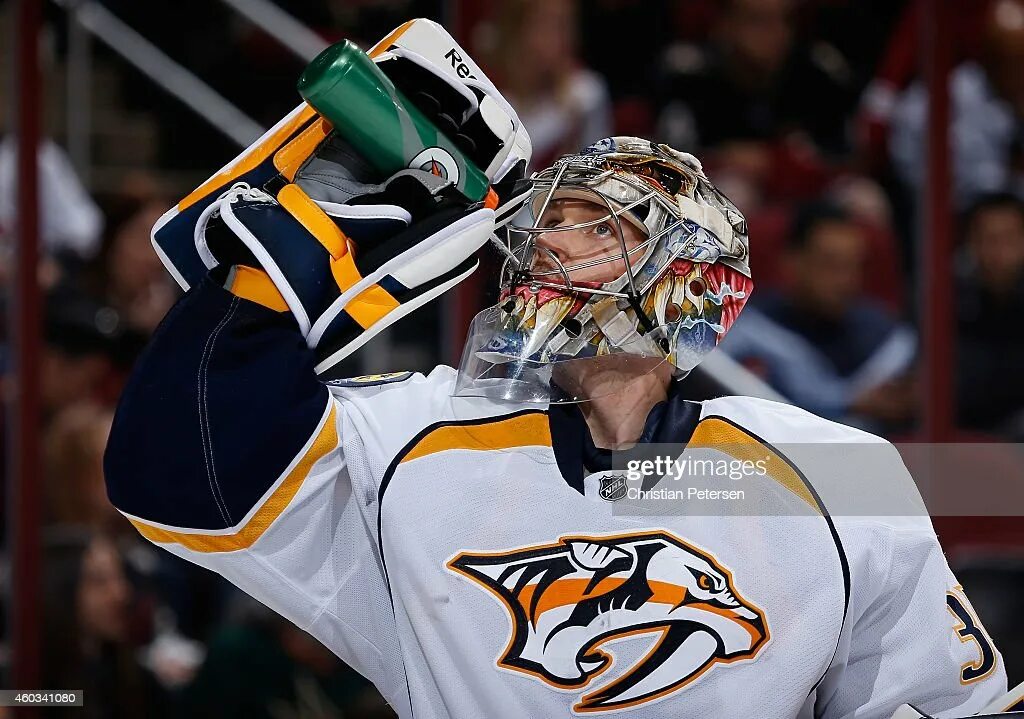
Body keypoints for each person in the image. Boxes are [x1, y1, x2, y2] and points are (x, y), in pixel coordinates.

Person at [104, 123, 1010, 717]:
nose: (547, 243)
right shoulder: (421, 432)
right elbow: (181, 478)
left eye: (596, 225)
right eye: (546, 221)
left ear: (689, 284)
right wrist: (294, 246)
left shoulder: (836, 470)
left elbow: (957, 707)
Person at [719, 201, 916, 429]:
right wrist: (850, 403)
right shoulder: (748, 330)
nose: (846, 281)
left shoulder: (886, 339)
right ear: (792, 262)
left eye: (854, 266)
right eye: (831, 265)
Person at [956, 192, 1024, 436]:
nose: (999, 251)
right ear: (971, 242)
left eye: (1009, 239)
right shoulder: (951, 298)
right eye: (989, 239)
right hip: (965, 424)